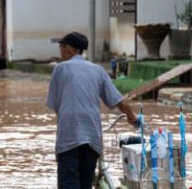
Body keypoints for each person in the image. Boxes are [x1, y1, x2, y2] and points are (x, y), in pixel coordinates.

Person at [47, 32, 138, 189]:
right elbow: (120, 102)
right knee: (85, 183)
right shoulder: (98, 70)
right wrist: (132, 118)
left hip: (68, 137)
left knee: (68, 183)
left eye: (61, 47)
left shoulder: (60, 69)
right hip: (92, 138)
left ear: (69, 49)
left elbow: (57, 107)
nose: (60, 51)